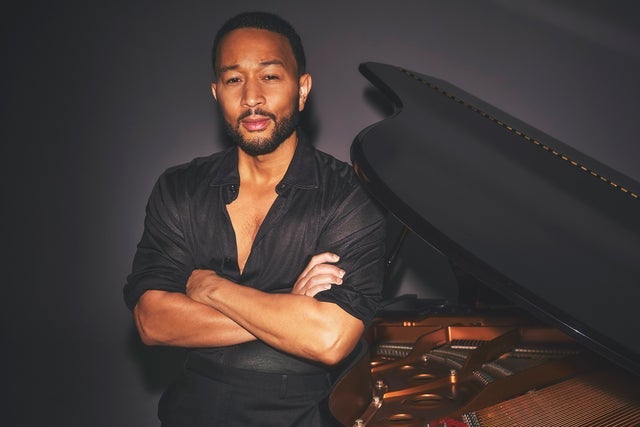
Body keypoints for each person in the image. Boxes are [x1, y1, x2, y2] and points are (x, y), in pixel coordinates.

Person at [124, 11, 386, 427]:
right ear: (216, 93)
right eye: (234, 79)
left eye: (269, 76)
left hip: (300, 416)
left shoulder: (348, 196)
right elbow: (152, 321)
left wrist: (210, 288)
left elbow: (328, 338)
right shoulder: (180, 188)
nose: (251, 98)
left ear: (302, 89)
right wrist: (289, 308)